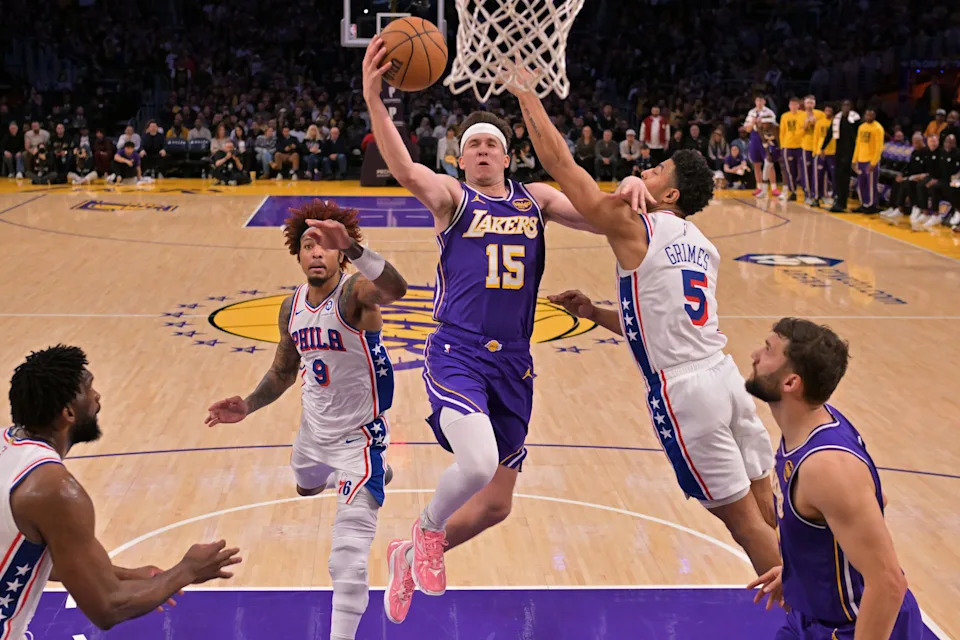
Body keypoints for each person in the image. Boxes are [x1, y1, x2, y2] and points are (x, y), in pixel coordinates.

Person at [358, 37, 646, 625]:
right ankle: (427, 529)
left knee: (495, 506)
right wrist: (374, 99)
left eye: (493, 143)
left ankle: (407, 556)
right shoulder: (451, 198)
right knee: (478, 461)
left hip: (515, 361)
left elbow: (599, 215)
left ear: (508, 156)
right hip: (457, 352)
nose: (484, 150)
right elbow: (404, 166)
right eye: (474, 146)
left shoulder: (536, 198)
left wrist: (636, 188)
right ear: (460, 159)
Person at [505, 71, 781, 595]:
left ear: (669, 192)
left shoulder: (637, 225)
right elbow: (664, 318)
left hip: (686, 392)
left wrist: (525, 96)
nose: (644, 170)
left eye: (655, 170)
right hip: (724, 379)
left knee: (743, 524)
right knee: (768, 507)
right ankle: (832, 595)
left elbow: (560, 165)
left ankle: (816, 620)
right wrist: (596, 313)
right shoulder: (701, 242)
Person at [205, 200, 407, 640]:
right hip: (313, 431)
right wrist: (248, 404)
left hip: (360, 437)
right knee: (306, 484)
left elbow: (395, 289)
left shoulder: (356, 293)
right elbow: (282, 371)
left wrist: (352, 245)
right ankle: (358, 478)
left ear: (339, 256)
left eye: (325, 246)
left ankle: (370, 475)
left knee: (346, 560)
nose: (316, 252)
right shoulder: (290, 307)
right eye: (307, 245)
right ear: (296, 255)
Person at [4, 345, 242, 636]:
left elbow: (36, 560)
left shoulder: (7, 448)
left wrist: (129, 576)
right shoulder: (55, 490)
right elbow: (108, 607)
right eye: (88, 388)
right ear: (67, 412)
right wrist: (187, 570)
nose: (97, 397)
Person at [744, 319, 924, 639]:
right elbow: (871, 502)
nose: (754, 355)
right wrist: (802, 570)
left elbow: (888, 582)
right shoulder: (808, 428)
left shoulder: (826, 466)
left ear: (791, 383)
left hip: (859, 626)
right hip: (812, 618)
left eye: (768, 350)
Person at [744, 94, 779, 197]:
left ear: (764, 101)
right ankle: (759, 187)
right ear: (755, 102)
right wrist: (753, 123)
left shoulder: (769, 112)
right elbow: (747, 129)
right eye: (757, 101)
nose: (759, 103)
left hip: (766, 136)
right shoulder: (751, 112)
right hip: (754, 137)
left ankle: (774, 188)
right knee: (756, 163)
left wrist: (762, 122)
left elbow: (774, 126)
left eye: (761, 100)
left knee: (769, 163)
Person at [852, 109, 884, 214]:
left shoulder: (878, 128)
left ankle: (871, 205)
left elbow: (879, 148)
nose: (868, 117)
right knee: (861, 184)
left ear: (874, 116)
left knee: (871, 185)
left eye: (871, 115)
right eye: (867, 115)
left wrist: (873, 163)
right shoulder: (861, 127)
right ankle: (863, 204)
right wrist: (854, 160)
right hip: (861, 159)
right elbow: (858, 144)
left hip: (871, 161)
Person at [800, 96, 825, 205]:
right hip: (807, 146)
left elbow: (824, 130)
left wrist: (816, 124)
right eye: (808, 103)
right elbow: (798, 133)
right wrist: (805, 125)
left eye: (811, 102)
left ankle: (820, 194)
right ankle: (808, 194)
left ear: (814, 104)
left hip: (818, 148)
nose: (809, 105)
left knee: (820, 172)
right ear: (804, 104)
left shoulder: (820, 114)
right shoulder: (800, 115)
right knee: (807, 171)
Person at [780, 97, 805, 201]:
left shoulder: (803, 115)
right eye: (792, 104)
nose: (793, 107)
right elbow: (782, 132)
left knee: (804, 170)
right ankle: (792, 191)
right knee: (790, 171)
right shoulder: (785, 116)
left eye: (795, 104)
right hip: (788, 146)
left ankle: (807, 192)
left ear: (798, 105)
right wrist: (782, 146)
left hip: (801, 146)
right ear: (789, 106)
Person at [811, 105, 836, 208]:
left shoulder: (835, 123)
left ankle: (834, 197)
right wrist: (815, 151)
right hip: (819, 153)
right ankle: (816, 198)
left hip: (832, 153)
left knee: (834, 177)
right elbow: (815, 137)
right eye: (826, 110)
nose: (827, 112)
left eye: (830, 110)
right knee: (818, 176)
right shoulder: (819, 122)